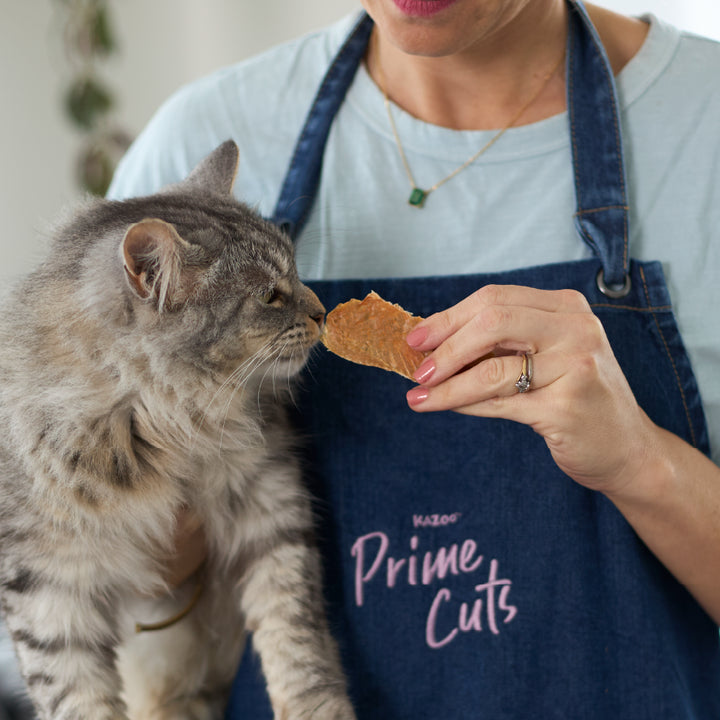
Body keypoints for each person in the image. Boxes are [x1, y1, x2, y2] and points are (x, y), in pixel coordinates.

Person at [108, 0, 720, 717]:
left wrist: (641, 461)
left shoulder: (701, 125)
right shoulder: (201, 163)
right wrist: (167, 477)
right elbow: (98, 580)